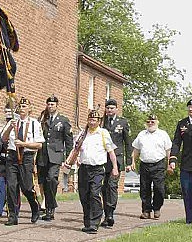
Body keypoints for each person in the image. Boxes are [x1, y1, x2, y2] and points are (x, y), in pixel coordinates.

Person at [2, 96, 45, 226]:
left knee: (27, 187)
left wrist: (24, 144)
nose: (21, 109)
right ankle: (13, 216)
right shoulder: (12, 122)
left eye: (24, 106)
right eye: (20, 106)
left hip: (26, 157)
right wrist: (10, 127)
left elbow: (39, 145)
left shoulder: (34, 123)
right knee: (11, 186)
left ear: (30, 109)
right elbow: (3, 138)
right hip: (12, 156)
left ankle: (34, 206)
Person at [74, 109, 119, 234]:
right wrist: (76, 159)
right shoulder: (83, 134)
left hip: (98, 169)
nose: (92, 122)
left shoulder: (103, 133)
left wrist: (115, 167)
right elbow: (76, 149)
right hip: (84, 168)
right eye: (90, 120)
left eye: (94, 120)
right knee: (84, 195)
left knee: (94, 194)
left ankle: (94, 223)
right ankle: (87, 222)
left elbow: (111, 152)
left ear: (99, 121)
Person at [37, 95, 73, 221]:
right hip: (42, 155)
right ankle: (47, 206)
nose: (50, 106)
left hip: (56, 155)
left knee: (51, 179)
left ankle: (50, 208)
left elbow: (69, 140)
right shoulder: (42, 119)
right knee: (42, 181)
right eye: (48, 104)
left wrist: (69, 158)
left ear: (57, 105)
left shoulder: (63, 120)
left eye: (52, 104)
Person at [130, 114, 172, 219]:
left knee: (159, 189)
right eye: (148, 122)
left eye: (152, 122)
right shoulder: (141, 134)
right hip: (144, 164)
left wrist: (169, 165)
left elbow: (168, 151)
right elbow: (136, 149)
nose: (150, 124)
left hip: (159, 164)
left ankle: (157, 208)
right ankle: (146, 211)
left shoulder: (163, 134)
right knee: (144, 189)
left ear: (157, 122)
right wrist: (133, 162)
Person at [100, 99, 132, 227]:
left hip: (117, 159)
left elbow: (128, 143)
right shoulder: (101, 122)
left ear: (117, 109)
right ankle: (106, 213)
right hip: (103, 159)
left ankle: (110, 213)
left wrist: (129, 161)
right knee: (104, 187)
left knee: (112, 186)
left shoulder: (123, 122)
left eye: (112, 108)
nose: (110, 110)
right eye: (108, 108)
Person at [0, 103, 20, 218]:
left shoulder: (18, 123)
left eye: (9, 110)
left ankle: (14, 209)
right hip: (2, 157)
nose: (7, 113)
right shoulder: (2, 124)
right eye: (6, 111)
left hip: (14, 157)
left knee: (13, 185)